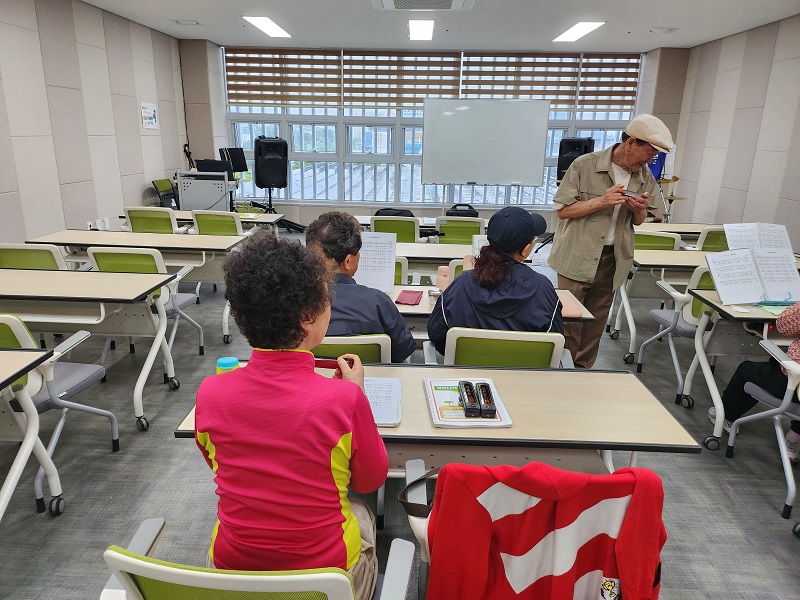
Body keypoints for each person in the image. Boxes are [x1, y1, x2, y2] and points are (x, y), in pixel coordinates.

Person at [195, 231, 388, 600]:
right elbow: (370, 479)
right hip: (326, 580)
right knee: (361, 511)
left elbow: (219, 465)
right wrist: (358, 394)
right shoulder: (345, 399)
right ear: (308, 317)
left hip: (232, 577)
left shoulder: (210, 393)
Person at [548, 113, 674, 369]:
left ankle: (583, 371)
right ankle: (561, 370)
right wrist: (601, 201)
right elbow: (563, 211)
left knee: (595, 323)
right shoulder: (584, 165)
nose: (651, 159)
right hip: (577, 254)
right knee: (569, 319)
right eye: (649, 152)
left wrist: (638, 209)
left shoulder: (644, 176)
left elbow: (640, 220)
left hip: (613, 259)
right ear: (631, 143)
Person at [427, 206, 563, 356]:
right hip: (525, 370)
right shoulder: (543, 288)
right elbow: (554, 341)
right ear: (525, 249)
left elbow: (436, 333)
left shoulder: (462, 283)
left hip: (468, 370)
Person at [306, 211, 416, 363]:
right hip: (368, 376)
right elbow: (403, 350)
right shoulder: (378, 301)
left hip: (312, 375)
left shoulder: (291, 302)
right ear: (348, 261)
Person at [711, 302, 800, 460]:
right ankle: (795, 436)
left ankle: (725, 416)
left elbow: (784, 326)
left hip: (792, 385)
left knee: (746, 370)